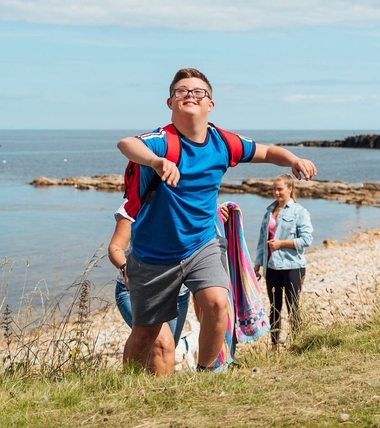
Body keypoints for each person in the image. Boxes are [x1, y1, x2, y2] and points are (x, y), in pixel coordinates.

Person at [117, 67, 316, 373]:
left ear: (211, 104)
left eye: (199, 92)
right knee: (145, 335)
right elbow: (127, 144)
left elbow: (265, 151)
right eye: (181, 91)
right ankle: (125, 384)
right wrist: (157, 161)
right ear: (170, 103)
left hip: (202, 243)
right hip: (154, 255)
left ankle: (207, 372)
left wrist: (293, 159)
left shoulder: (223, 142)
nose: (190, 95)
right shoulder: (161, 141)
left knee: (217, 304)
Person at [108, 215, 189, 375]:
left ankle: (142, 391)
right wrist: (126, 270)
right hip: (138, 290)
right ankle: (149, 394)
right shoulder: (135, 203)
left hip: (177, 293)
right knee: (163, 344)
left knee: (164, 351)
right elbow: (115, 247)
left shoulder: (187, 202)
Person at [254, 174, 314, 349]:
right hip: (271, 267)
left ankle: (298, 345)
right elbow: (261, 241)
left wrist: (282, 244)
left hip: (292, 267)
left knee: (293, 308)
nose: (276, 192)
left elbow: (307, 240)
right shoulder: (268, 212)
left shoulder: (299, 212)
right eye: (274, 189)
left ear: (290, 189)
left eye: (280, 189)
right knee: (274, 308)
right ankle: (274, 346)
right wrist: (258, 264)